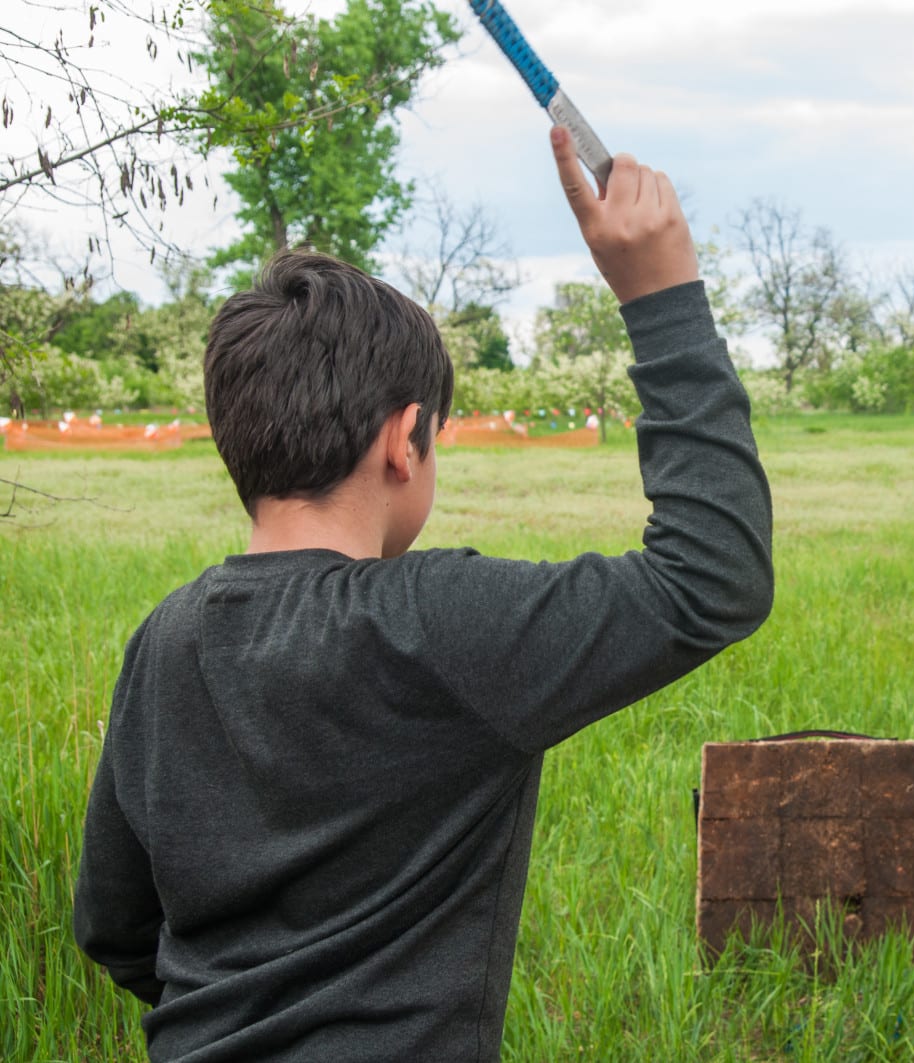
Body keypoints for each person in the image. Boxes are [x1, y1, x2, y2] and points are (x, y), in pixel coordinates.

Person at [72, 127, 773, 1061]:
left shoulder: (164, 639)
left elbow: (112, 922)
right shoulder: (439, 623)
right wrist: (665, 299)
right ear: (406, 440)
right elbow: (710, 577)